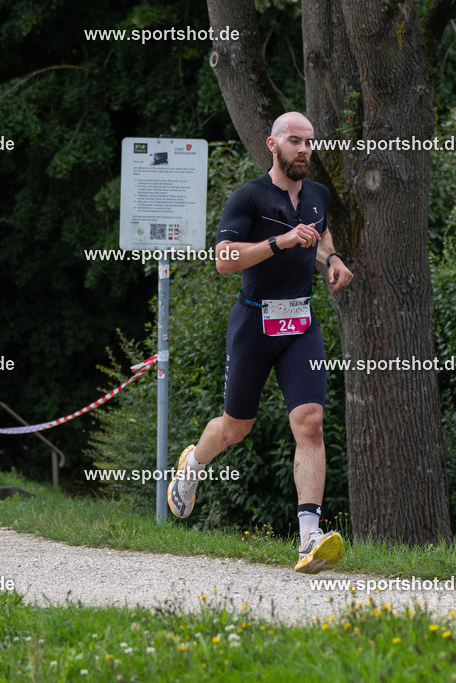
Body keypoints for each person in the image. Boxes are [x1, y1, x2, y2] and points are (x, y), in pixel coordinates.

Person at [169, 111, 354, 574]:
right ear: (273, 145)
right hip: (254, 323)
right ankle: (193, 462)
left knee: (310, 421)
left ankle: (309, 537)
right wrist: (280, 242)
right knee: (237, 427)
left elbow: (321, 230)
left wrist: (329, 257)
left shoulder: (317, 195)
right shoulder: (249, 196)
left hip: (300, 325)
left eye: (310, 143)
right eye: (296, 141)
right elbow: (224, 260)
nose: (305, 150)